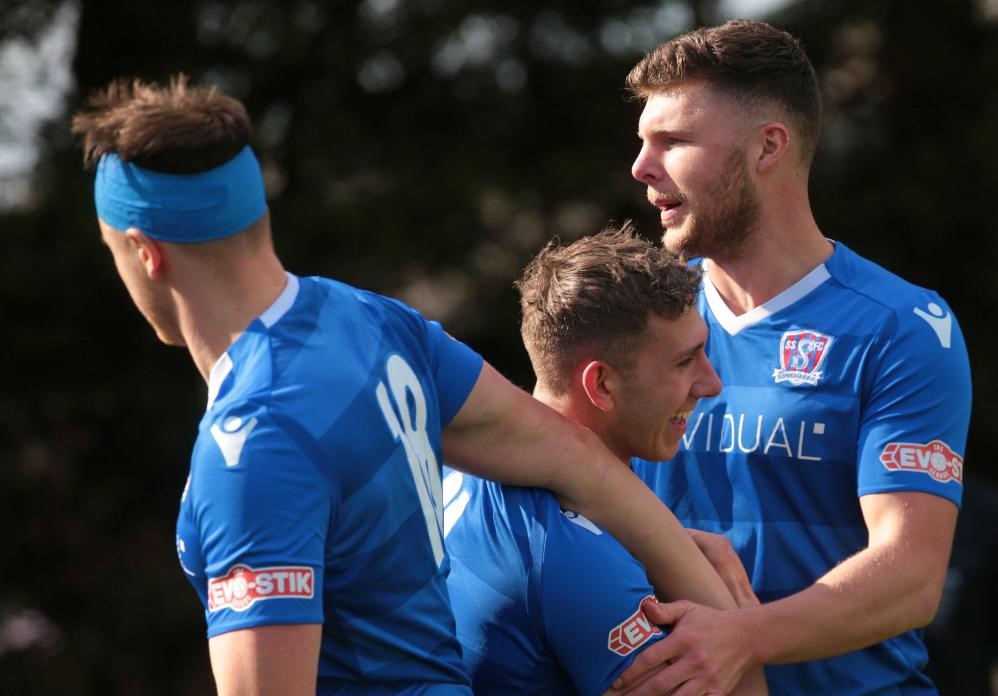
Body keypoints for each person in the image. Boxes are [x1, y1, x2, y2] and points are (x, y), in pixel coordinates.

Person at [71, 75, 740, 696]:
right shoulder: (370, 320)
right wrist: (721, 614)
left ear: (144, 252)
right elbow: (577, 457)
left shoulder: (254, 444)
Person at [609, 19, 973, 696]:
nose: (641, 167)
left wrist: (743, 639)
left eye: (674, 141)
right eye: (641, 142)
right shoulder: (633, 322)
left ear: (767, 147)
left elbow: (911, 578)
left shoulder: (901, 326)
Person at [443, 224, 766, 695]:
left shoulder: (463, 468)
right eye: (684, 362)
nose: (711, 384)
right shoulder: (575, 555)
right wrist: (737, 620)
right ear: (601, 385)